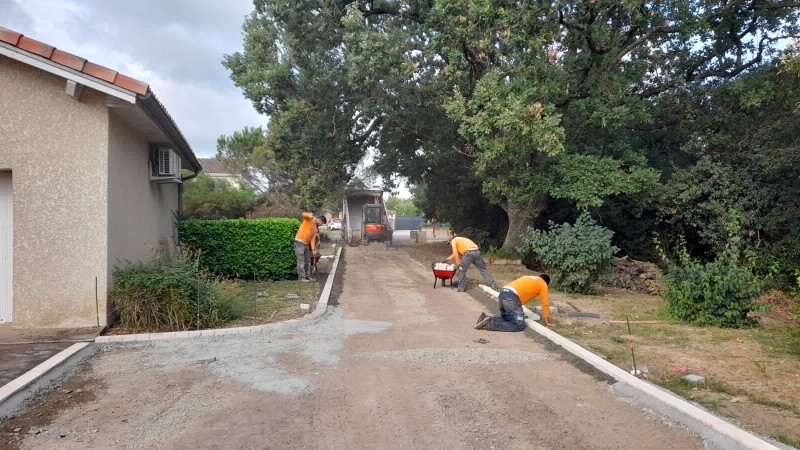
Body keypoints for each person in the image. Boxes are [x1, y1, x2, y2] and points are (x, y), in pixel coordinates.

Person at [475, 274, 552, 331]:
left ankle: (486, 318)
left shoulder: (528, 278)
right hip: (511, 297)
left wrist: (519, 314)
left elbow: (520, 296)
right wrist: (547, 322)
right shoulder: (543, 284)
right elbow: (545, 304)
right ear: (546, 282)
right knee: (519, 325)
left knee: (509, 319)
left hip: (503, 293)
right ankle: (489, 325)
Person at [294, 212, 326, 282]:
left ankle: (308, 276)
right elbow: (303, 214)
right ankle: (301, 278)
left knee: (308, 261)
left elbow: (312, 239)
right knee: (301, 260)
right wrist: (310, 216)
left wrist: (313, 249)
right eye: (322, 223)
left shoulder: (315, 228)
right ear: (319, 220)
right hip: (299, 242)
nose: (321, 225)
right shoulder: (310, 219)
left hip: (305, 244)